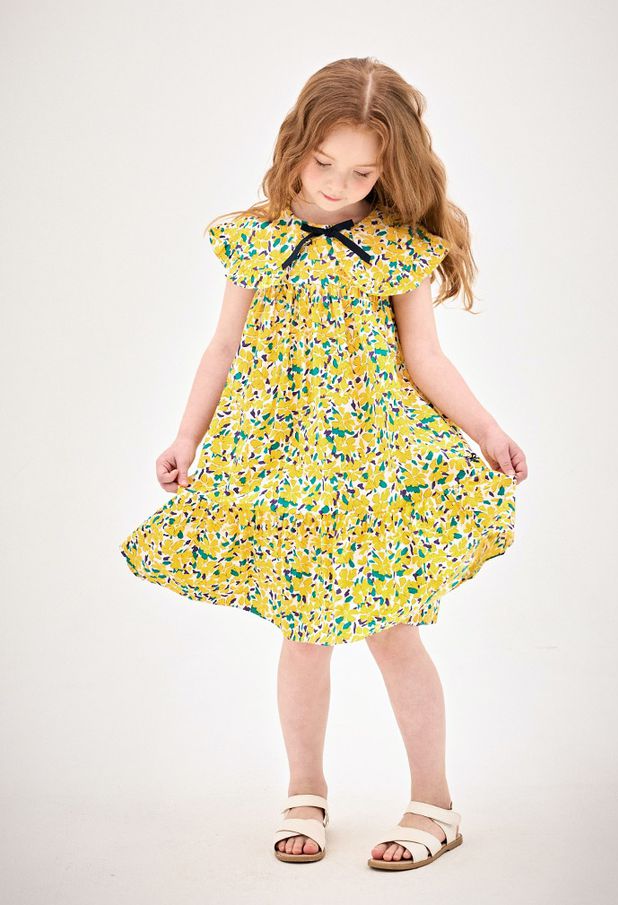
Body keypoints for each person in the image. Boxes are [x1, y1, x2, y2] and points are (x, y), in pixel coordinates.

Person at [119, 56, 528, 872]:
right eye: (325, 164)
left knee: (392, 632)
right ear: (296, 146)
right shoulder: (256, 238)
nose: (340, 185)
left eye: (363, 173)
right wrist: (187, 437)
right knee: (303, 634)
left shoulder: (395, 249)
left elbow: (425, 356)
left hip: (375, 464)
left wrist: (486, 429)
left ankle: (435, 801)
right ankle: (304, 789)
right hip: (282, 463)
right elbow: (223, 346)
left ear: (390, 169)